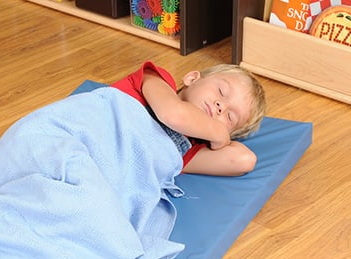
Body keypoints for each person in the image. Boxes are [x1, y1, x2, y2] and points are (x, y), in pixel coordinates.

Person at [111, 61, 266, 176]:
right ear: (192, 79)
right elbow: (173, 115)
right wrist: (218, 130)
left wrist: (221, 138)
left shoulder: (188, 152)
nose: (221, 106)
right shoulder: (157, 79)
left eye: (230, 117)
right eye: (221, 91)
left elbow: (244, 160)